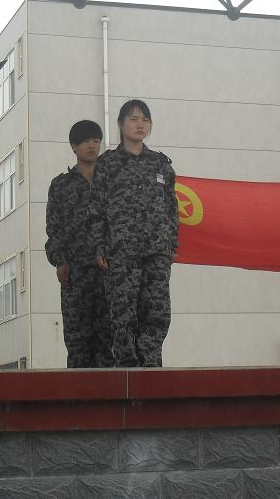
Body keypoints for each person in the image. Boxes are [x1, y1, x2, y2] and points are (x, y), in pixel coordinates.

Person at [89, 100, 179, 367]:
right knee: (123, 314)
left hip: (156, 251)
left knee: (157, 312)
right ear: (120, 124)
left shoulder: (160, 164)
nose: (140, 124)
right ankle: (127, 370)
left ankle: (151, 367)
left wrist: (171, 244)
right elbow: (96, 209)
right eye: (133, 119)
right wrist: (100, 245)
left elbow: (171, 208)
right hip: (121, 253)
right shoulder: (107, 164)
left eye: (145, 120)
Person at [45, 120, 112, 368]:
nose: (92, 146)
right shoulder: (61, 185)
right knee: (77, 342)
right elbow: (54, 228)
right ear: (74, 146)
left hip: (108, 270)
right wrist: (60, 262)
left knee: (109, 341)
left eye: (96, 140)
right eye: (85, 141)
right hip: (75, 273)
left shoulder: (111, 182)